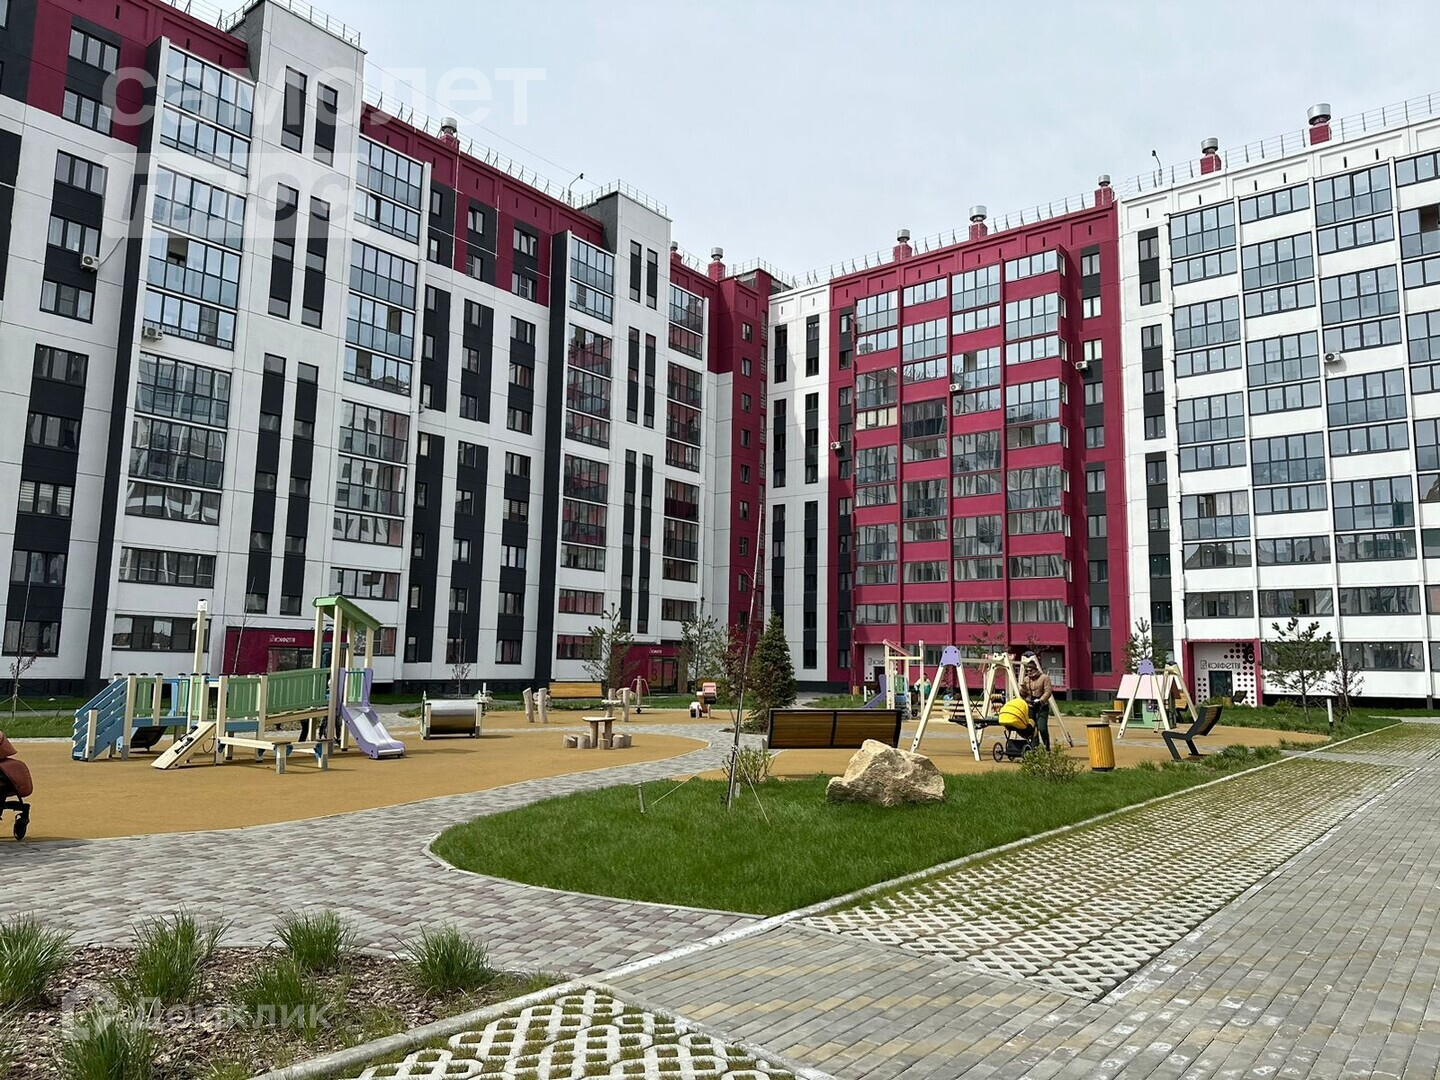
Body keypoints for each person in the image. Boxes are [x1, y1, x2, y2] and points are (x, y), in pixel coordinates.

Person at [1017, 651, 1054, 750]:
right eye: (1027, 671)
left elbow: (1048, 691)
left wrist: (1041, 700)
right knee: (1032, 728)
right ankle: (1034, 748)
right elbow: (1023, 694)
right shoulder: (1026, 679)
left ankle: (1047, 747)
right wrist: (1022, 690)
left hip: (1042, 706)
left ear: (1035, 669)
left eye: (1030, 670)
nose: (1029, 672)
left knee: (1042, 727)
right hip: (1030, 705)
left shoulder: (1044, 678)